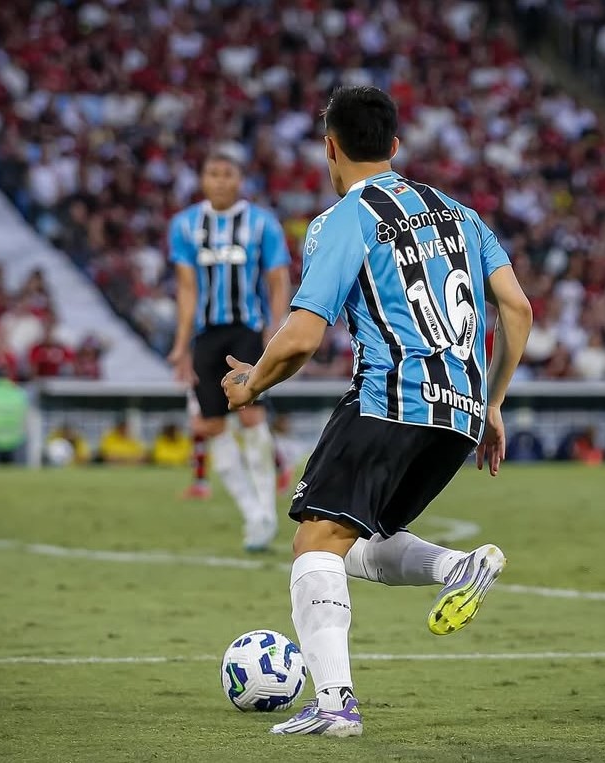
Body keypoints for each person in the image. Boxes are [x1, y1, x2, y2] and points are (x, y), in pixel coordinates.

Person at [221, 86, 533, 737]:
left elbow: (304, 336)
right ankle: (457, 566)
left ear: (329, 146)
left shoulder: (343, 219)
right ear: (394, 145)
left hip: (393, 393)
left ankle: (335, 703)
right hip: (461, 411)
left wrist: (252, 385)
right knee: (355, 542)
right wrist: (494, 401)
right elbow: (518, 308)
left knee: (314, 537)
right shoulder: (460, 213)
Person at [167, 148, 292, 550]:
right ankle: (253, 514)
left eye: (227, 174)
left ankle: (267, 514)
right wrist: (182, 344)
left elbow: (277, 280)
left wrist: (277, 328)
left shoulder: (261, 224)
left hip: (246, 332)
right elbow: (186, 289)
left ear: (240, 180)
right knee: (212, 426)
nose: (220, 180)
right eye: (212, 173)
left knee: (253, 417)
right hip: (206, 336)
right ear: (202, 179)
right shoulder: (185, 225)